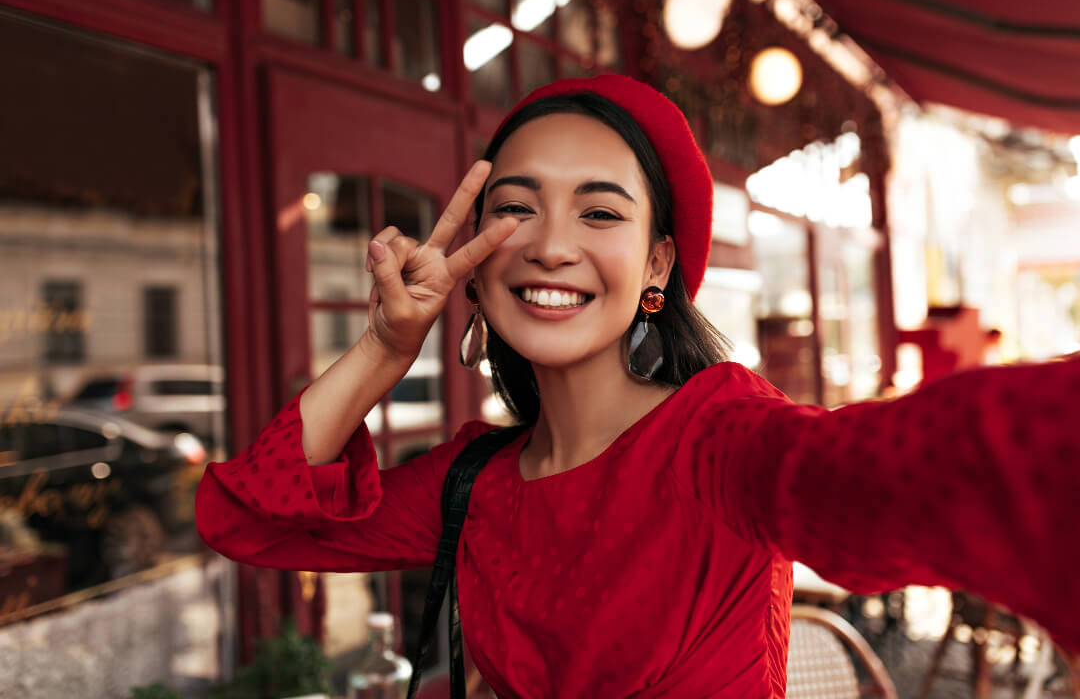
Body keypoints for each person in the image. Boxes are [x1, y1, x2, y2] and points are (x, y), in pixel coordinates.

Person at [196, 75, 1080, 698]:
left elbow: (936, 472)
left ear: (658, 263)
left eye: (600, 212)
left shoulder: (722, 443)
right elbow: (250, 520)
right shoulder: (475, 485)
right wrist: (387, 348)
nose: (549, 243)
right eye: (514, 207)